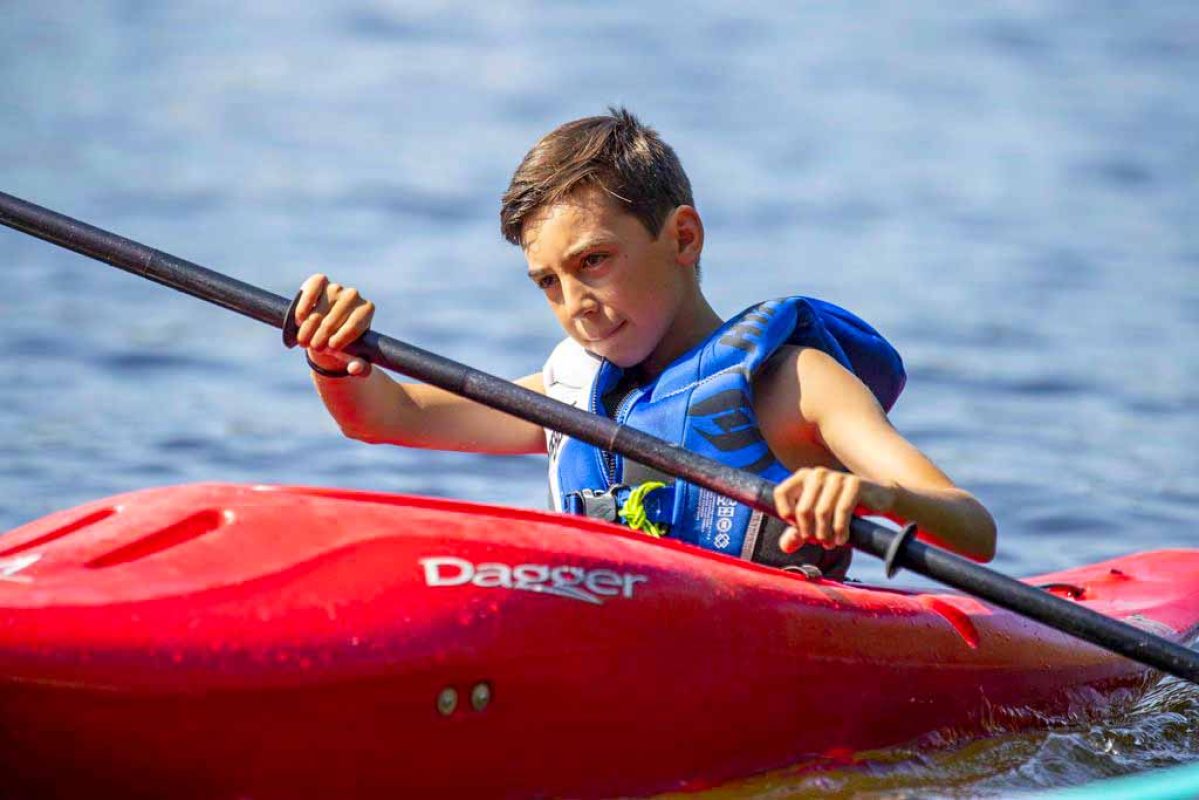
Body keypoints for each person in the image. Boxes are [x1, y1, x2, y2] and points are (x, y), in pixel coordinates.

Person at [291, 108, 996, 579]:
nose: (575, 307)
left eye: (594, 261)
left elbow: (971, 528)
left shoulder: (795, 383)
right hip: (618, 641)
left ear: (682, 238)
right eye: (548, 281)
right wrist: (333, 356)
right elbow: (386, 417)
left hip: (778, 655)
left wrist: (866, 494)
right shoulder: (572, 394)